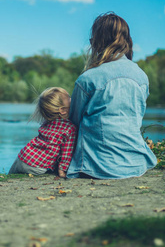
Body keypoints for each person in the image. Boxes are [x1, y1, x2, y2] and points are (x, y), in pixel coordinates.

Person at [66, 12, 157, 179]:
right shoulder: (142, 76)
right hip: (136, 164)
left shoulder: (87, 79)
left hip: (97, 167)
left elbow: (73, 123)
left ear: (97, 42)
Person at [8, 87, 77, 177]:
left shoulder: (47, 122)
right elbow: (67, 153)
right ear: (62, 110)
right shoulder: (70, 129)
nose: (72, 99)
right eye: (69, 98)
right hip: (35, 166)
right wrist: (62, 171)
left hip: (22, 157)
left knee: (9, 177)